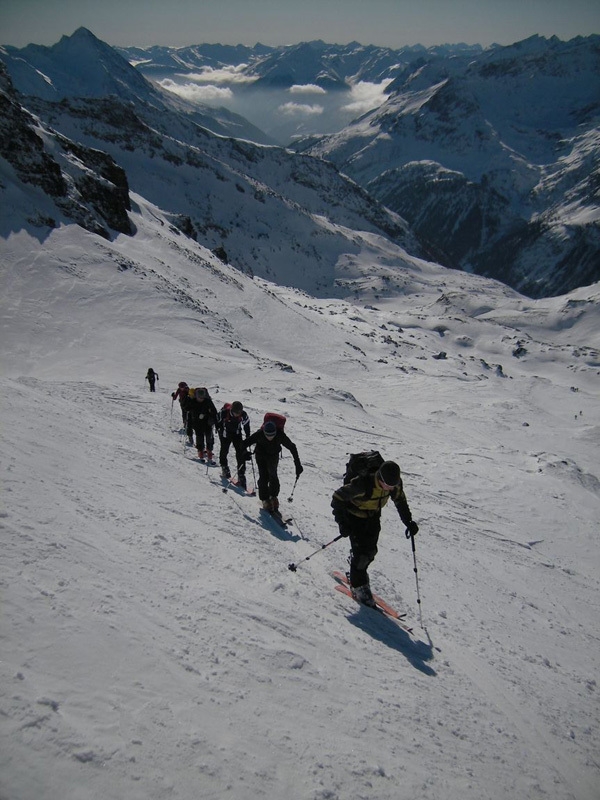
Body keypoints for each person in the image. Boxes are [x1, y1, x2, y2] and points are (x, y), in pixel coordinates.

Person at [331, 460, 419, 608]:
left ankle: (357, 569)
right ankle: (358, 585)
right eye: (387, 486)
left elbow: (400, 501)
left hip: (373, 516)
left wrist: (408, 522)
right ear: (380, 479)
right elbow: (337, 498)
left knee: (371, 551)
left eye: (392, 486)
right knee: (361, 556)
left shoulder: (394, 484)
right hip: (354, 517)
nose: (390, 489)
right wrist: (343, 523)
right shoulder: (362, 484)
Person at [241, 420, 303, 512]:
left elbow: (292, 447)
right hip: (260, 455)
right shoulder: (259, 434)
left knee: (273, 475)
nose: (270, 438)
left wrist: (297, 463)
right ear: (264, 432)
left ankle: (273, 496)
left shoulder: (280, 435)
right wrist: (244, 453)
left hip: (273, 456)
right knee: (264, 476)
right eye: (267, 435)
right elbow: (244, 443)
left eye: (272, 435)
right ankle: (265, 499)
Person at [215, 400, 251, 487]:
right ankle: (224, 467)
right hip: (225, 434)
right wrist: (217, 427)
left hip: (237, 434)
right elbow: (216, 419)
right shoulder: (224, 413)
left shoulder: (244, 415)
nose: (237, 414)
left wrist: (247, 436)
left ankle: (241, 473)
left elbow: (246, 425)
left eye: (239, 413)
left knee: (240, 452)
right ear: (231, 410)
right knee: (224, 450)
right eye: (236, 413)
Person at [188, 387, 217, 462]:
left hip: (207, 422)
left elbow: (214, 411)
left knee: (209, 437)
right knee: (199, 437)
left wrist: (212, 418)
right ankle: (200, 450)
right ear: (196, 396)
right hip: (197, 422)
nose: (201, 399)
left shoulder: (208, 401)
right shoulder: (192, 402)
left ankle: (209, 450)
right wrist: (190, 426)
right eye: (199, 398)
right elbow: (189, 413)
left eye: (202, 398)